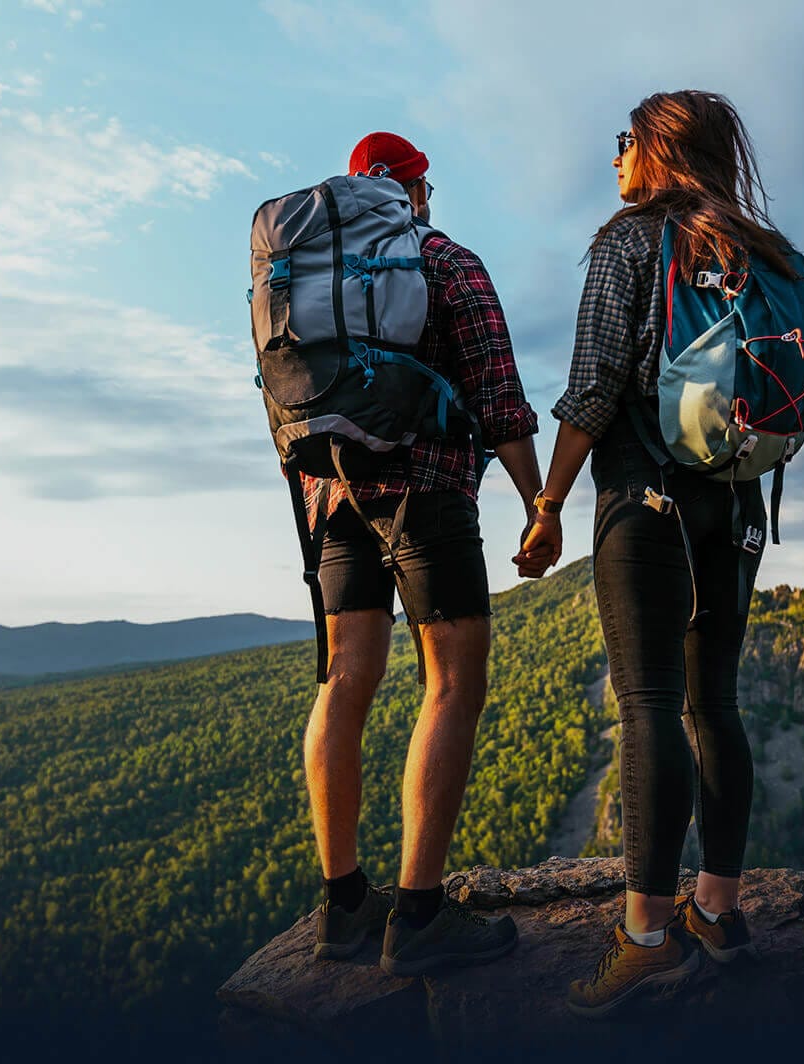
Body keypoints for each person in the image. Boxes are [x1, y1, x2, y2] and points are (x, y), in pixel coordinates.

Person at [517, 91, 799, 1017]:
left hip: (646, 495)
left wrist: (549, 501)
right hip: (739, 502)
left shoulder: (630, 242)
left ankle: (645, 937)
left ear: (659, 151)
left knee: (645, 702)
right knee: (713, 698)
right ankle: (717, 910)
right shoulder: (766, 252)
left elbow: (593, 387)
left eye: (624, 144)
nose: (614, 161)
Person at [302, 131, 545, 976]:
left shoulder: (311, 275)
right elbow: (498, 393)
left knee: (345, 680)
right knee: (452, 685)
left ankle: (342, 906)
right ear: (417, 190)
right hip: (427, 492)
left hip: (331, 501)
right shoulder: (444, 261)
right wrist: (536, 505)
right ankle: (419, 915)